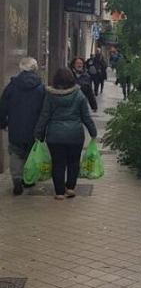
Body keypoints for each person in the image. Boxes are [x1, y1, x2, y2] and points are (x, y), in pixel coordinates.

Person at [34, 68, 97, 200]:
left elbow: (44, 115)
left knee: (58, 163)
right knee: (73, 162)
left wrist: (38, 133)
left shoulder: (50, 95)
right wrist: (93, 132)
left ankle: (59, 192)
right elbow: (86, 116)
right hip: (75, 135)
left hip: (55, 135)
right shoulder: (79, 95)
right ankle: (70, 188)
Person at [0, 58, 45, 195]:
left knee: (16, 153)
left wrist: (2, 122)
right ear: (35, 69)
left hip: (16, 125)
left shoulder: (12, 86)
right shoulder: (40, 88)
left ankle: (17, 179)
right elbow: (45, 109)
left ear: (21, 69)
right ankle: (29, 179)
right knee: (31, 153)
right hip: (34, 126)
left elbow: (3, 106)